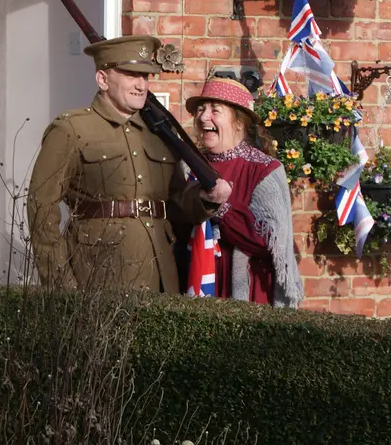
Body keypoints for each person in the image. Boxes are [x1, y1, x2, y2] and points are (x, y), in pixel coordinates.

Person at [26, 35, 232, 292]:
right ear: (102, 79)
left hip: (160, 277)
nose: (141, 85)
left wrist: (205, 199)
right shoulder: (71, 129)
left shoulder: (159, 133)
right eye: (131, 75)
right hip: (96, 276)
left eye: (145, 76)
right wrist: (61, 286)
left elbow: (175, 204)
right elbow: (41, 206)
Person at [184, 76, 303, 307]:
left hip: (247, 291)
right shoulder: (188, 166)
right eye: (201, 109)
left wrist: (221, 206)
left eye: (215, 110)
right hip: (193, 279)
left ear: (239, 122)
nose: (203, 117)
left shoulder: (263, 169)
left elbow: (268, 241)